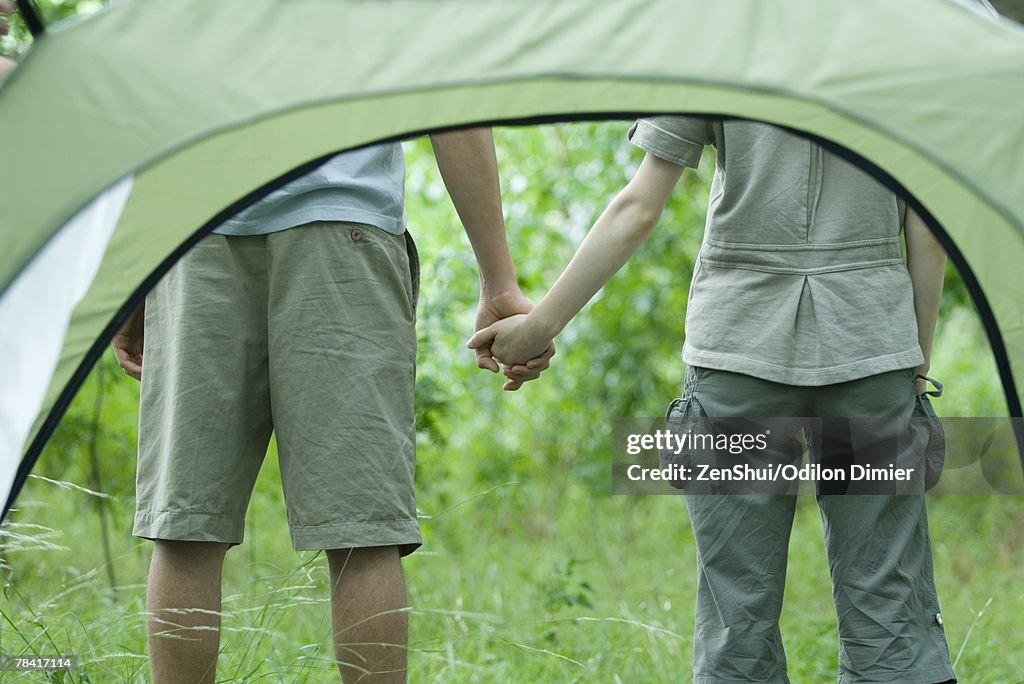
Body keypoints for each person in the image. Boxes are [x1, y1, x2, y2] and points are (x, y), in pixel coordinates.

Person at [469, 116, 956, 683]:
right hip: (870, 343)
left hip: (738, 346)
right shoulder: (905, 41)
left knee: (737, 617)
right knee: (889, 609)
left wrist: (541, 325)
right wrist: (911, 362)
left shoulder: (719, 38)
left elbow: (638, 208)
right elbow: (929, 226)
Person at [110, 131, 553, 684]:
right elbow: (453, 108)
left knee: (186, 529)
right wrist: (497, 278)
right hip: (343, 230)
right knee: (362, 536)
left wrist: (135, 268)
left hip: (196, 233)